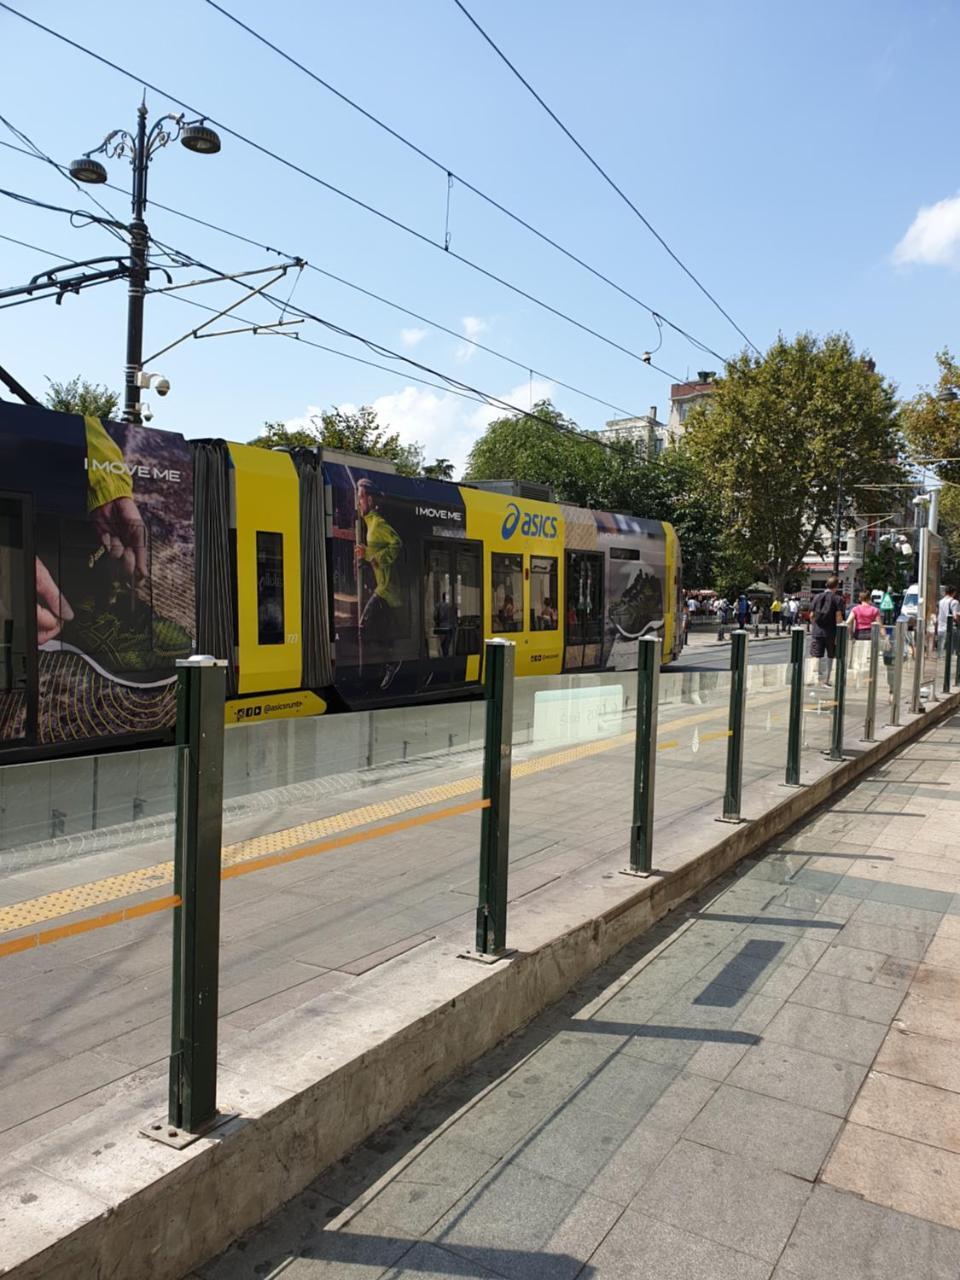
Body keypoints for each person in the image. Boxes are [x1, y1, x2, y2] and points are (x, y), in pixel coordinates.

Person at [355, 478, 404, 690]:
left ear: (370, 499)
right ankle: (388, 662)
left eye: (361, 498)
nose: (358, 502)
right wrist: (366, 556)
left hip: (387, 590)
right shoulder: (368, 524)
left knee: (364, 625)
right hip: (382, 588)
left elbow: (397, 544)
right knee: (380, 628)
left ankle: (388, 663)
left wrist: (373, 558)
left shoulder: (378, 524)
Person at [809, 575, 846, 686]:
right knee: (831, 655)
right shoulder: (838, 599)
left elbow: (811, 615)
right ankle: (826, 679)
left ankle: (813, 678)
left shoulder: (816, 597)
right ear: (836, 586)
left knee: (816, 655)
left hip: (817, 631)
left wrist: (815, 626)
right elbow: (838, 616)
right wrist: (840, 628)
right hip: (831, 632)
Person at [433, 591, 457, 656]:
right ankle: (446, 657)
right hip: (450, 628)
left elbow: (435, 617)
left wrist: (437, 624)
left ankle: (444, 656)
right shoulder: (452, 606)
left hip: (441, 628)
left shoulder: (438, 605)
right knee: (447, 644)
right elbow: (455, 617)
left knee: (442, 644)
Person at [937, 586, 958, 653]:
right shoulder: (954, 602)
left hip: (940, 628)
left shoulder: (940, 601)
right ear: (954, 593)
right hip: (950, 628)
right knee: (950, 651)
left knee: (940, 649)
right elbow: (955, 616)